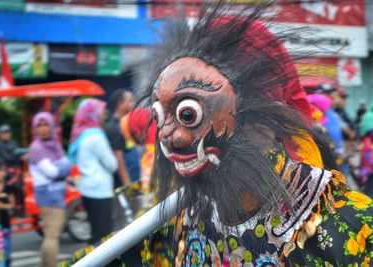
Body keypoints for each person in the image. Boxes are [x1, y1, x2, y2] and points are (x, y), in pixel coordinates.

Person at [63, 3, 373, 266]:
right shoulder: (179, 225)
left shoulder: (350, 227)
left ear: (265, 115)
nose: (169, 135)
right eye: (161, 116)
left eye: (188, 114)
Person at [69, 99, 118, 244]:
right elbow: (112, 164)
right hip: (100, 190)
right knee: (103, 237)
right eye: (101, 112)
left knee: (95, 232)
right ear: (93, 114)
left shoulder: (81, 135)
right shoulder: (96, 136)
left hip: (87, 188)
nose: (104, 116)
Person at [29, 112, 71, 267]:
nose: (43, 129)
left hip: (57, 194)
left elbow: (65, 165)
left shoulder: (55, 145)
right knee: (52, 235)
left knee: (50, 234)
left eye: (46, 124)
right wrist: (62, 168)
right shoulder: (37, 148)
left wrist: (61, 168)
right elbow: (52, 172)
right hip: (48, 196)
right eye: (39, 125)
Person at [105, 89, 137, 187]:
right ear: (120, 104)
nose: (134, 104)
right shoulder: (113, 128)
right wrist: (128, 185)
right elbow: (118, 158)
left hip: (135, 174)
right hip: (125, 180)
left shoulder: (127, 123)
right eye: (130, 101)